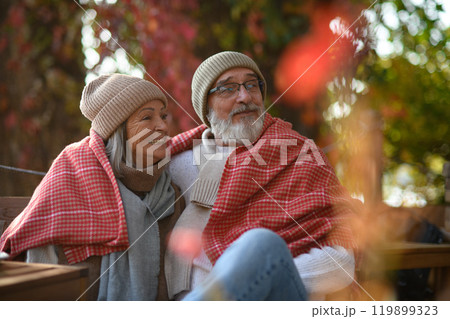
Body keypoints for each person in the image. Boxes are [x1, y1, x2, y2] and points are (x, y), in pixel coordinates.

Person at [166, 51, 357, 300]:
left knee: (260, 244)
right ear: (206, 106)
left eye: (251, 85)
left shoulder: (302, 156)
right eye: (227, 89)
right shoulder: (176, 165)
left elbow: (341, 265)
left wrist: (258, 276)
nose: (245, 97)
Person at [0, 74, 184, 301]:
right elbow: (35, 265)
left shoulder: (170, 193)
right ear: (118, 131)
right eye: (147, 117)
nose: (163, 126)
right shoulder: (71, 177)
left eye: (163, 116)